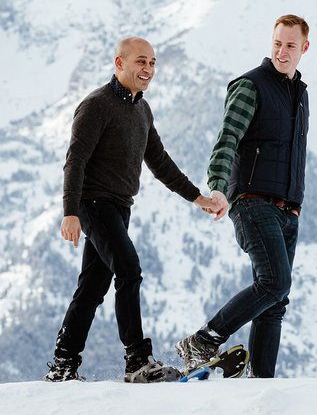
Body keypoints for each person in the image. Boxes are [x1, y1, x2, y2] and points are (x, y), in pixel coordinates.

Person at [45, 37, 221, 383]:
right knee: (129, 269)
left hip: (120, 208)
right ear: (119, 63)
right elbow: (75, 161)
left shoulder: (142, 110)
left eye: (153, 63)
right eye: (141, 62)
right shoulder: (96, 106)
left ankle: (63, 365)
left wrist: (197, 197)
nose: (148, 69)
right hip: (93, 203)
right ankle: (138, 361)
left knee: (93, 288)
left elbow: (160, 162)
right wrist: (70, 212)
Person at [177, 14, 311, 378]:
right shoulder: (252, 86)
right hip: (252, 201)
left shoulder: (300, 94)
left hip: (287, 209)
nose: (282, 52)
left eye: (290, 46)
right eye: (277, 44)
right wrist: (218, 187)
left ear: (304, 48)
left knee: (275, 302)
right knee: (274, 282)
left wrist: (296, 207)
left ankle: (261, 381)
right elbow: (227, 140)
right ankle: (204, 340)